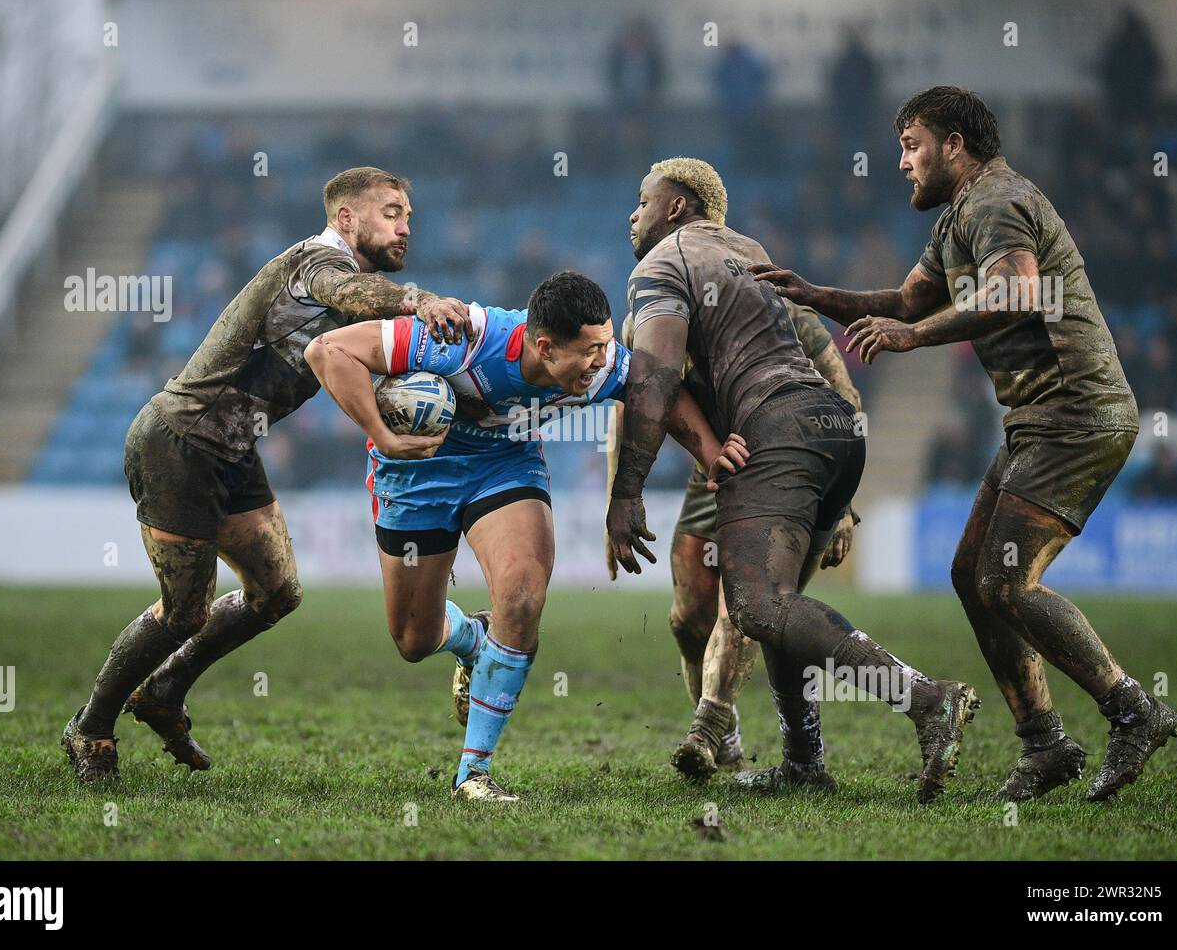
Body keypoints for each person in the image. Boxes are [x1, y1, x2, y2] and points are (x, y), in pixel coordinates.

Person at [754, 86, 1177, 801]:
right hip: (1036, 420)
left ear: (955, 144)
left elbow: (1014, 292)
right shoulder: (960, 217)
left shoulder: (997, 200)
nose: (902, 162)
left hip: (1077, 411)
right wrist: (814, 293)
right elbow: (904, 301)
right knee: (969, 573)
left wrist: (914, 338)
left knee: (1004, 582)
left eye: (912, 144)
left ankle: (1133, 710)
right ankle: (1045, 743)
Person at [62, 167, 471, 783]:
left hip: (232, 451)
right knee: (184, 612)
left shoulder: (344, 293)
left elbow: (366, 360)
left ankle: (165, 690)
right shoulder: (313, 263)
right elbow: (350, 295)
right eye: (391, 212)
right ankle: (90, 728)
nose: (404, 226)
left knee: (276, 592)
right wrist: (421, 300)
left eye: (408, 215)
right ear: (346, 218)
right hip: (181, 440)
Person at [608, 157, 979, 805]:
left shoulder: (661, 264)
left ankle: (927, 699)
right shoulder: (746, 252)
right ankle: (804, 763)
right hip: (833, 429)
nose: (632, 213)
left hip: (773, 433)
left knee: (757, 607)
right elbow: (818, 346)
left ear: (676, 207)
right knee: (778, 610)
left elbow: (655, 377)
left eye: (643, 200)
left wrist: (627, 492)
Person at [306, 271, 745, 802]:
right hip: (416, 473)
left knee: (523, 595)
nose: (601, 361)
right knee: (413, 640)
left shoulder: (604, 366)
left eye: (605, 345)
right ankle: (473, 639)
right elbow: (327, 350)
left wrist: (711, 456)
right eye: (589, 351)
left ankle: (473, 773)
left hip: (505, 468)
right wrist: (383, 437)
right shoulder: (462, 339)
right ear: (544, 347)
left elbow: (659, 395)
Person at [605, 302, 861, 788]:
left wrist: (843, 504)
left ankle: (706, 731)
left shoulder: (782, 313)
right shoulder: (647, 318)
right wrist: (618, 498)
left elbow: (844, 396)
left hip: (781, 469)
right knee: (687, 620)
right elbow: (630, 406)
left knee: (742, 607)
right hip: (714, 472)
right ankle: (726, 740)